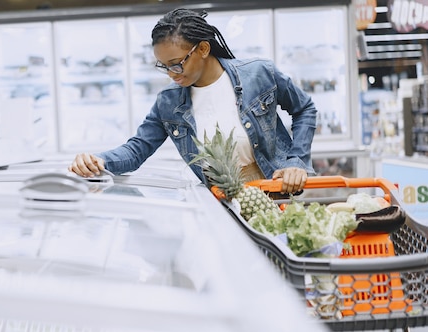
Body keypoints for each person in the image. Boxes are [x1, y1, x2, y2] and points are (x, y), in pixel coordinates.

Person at [68, 7, 317, 195]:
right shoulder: (169, 102)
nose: (171, 74)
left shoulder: (258, 74)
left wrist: (296, 162)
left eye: (176, 64)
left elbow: (305, 108)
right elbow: (136, 150)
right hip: (220, 203)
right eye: (163, 66)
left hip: (277, 193)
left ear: (203, 49)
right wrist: (98, 161)